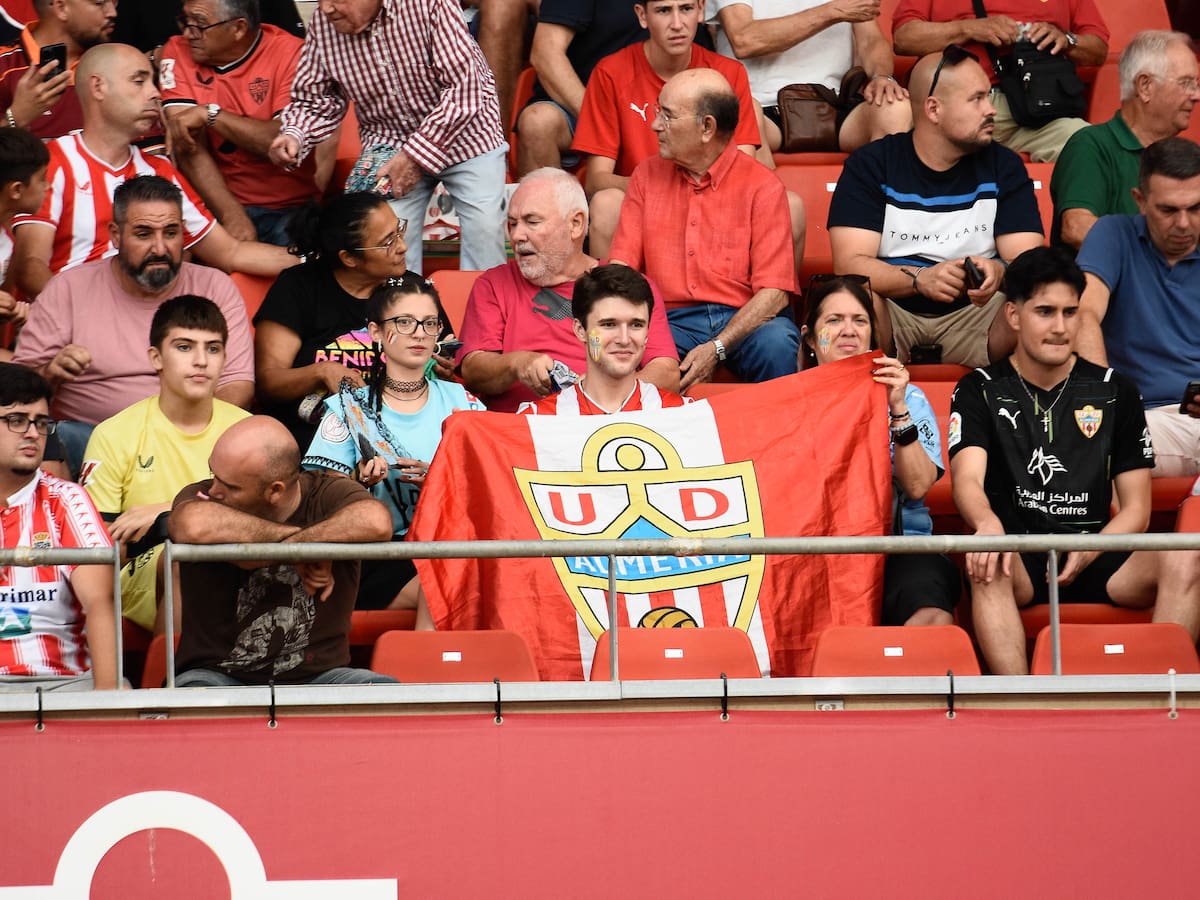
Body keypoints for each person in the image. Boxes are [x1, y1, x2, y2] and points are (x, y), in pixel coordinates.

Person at [948, 246, 1200, 675]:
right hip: (1019, 551)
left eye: (1070, 312)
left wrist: (1091, 546)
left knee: (1189, 553)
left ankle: (1157, 697)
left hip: (1100, 547)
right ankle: (1021, 704)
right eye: (1045, 311)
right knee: (985, 557)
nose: (1061, 327)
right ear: (1014, 315)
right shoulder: (979, 388)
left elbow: (1137, 509)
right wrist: (988, 526)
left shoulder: (1116, 389)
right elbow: (967, 480)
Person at [8, 42, 295, 300]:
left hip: (145, 326)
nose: (155, 93)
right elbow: (30, 268)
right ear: (98, 87)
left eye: (153, 81)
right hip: (69, 329)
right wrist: (86, 316)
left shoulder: (159, 170)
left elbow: (231, 252)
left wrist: (317, 258)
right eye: (139, 81)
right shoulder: (53, 162)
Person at [13, 175, 255, 478]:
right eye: (143, 234)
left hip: (190, 442)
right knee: (41, 438)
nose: (159, 247)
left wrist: (181, 437)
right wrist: (51, 372)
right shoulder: (69, 288)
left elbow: (237, 387)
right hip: (86, 440)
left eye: (171, 232)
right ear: (115, 235)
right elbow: (16, 394)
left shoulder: (214, 287)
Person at [828, 47, 1043, 369]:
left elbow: (1028, 262)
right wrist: (920, 279)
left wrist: (999, 272)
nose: (992, 110)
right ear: (933, 109)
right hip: (893, 313)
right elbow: (849, 265)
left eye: (989, 97)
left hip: (979, 316)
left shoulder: (1004, 165)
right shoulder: (872, 164)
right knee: (852, 300)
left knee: (1040, 302)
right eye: (977, 99)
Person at [269, 0, 508, 275]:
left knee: (485, 230)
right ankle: (405, 313)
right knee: (381, 243)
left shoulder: (429, 4)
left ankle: (483, 313)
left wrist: (415, 156)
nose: (326, 9)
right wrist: (295, 135)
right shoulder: (324, 26)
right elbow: (316, 99)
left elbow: (464, 88)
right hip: (389, 142)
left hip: (467, 134)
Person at [167, 415, 396, 686]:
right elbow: (191, 525)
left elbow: (376, 521)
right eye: (213, 474)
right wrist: (304, 549)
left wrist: (296, 546)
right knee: (195, 704)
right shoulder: (206, 496)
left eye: (229, 486)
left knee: (384, 695)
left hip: (320, 677)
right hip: (215, 676)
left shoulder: (326, 492)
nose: (213, 490)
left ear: (275, 491)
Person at [609, 68, 799, 391]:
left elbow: (774, 293)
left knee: (778, 343)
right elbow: (622, 268)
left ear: (707, 127)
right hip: (669, 322)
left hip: (743, 319)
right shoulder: (646, 176)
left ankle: (778, 440)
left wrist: (717, 348)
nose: (655, 125)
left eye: (667, 116)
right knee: (631, 349)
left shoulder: (762, 187)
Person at [303, 274, 483, 611]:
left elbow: (494, 486)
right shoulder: (347, 408)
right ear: (375, 332)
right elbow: (319, 500)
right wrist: (358, 483)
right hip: (375, 556)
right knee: (446, 582)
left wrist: (440, 481)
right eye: (404, 322)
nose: (419, 333)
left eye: (430, 323)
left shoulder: (466, 403)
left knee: (459, 571)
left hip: (450, 545)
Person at [81, 296, 249, 634]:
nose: (201, 361)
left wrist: (170, 510)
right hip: (144, 569)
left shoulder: (246, 429)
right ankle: (171, 683)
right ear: (156, 357)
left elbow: (268, 518)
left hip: (238, 557)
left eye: (213, 349)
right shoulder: (114, 433)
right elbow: (103, 550)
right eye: (185, 347)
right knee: (184, 558)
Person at [800, 275, 958, 625]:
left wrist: (896, 408)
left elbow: (917, 487)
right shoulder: (787, 405)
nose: (848, 330)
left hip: (898, 550)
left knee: (931, 616)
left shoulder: (908, 398)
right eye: (834, 320)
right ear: (810, 337)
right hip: (812, 552)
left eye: (860, 320)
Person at [458, 167, 679, 412]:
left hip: (612, 426)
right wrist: (517, 363)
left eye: (532, 222)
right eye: (512, 224)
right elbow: (473, 370)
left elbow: (666, 373)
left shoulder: (628, 285)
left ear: (576, 224)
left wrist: (596, 397)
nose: (517, 235)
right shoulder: (493, 283)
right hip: (523, 432)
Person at [254, 192, 453, 446]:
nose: (402, 246)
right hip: (313, 441)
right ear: (349, 258)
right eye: (387, 242)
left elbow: (446, 358)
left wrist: (446, 370)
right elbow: (269, 383)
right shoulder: (299, 287)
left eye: (399, 231)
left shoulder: (411, 289)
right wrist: (322, 371)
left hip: (402, 438)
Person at [571, 0, 763, 259]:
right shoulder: (611, 72)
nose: (677, 24)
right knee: (606, 204)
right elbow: (596, 181)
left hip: (715, 205)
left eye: (685, 9)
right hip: (645, 206)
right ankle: (612, 298)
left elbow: (743, 166)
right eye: (663, 11)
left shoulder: (728, 74)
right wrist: (664, 189)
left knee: (787, 203)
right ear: (642, 16)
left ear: (701, 10)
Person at [1076, 138, 1200, 479]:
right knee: (1104, 444)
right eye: (1169, 210)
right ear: (1140, 201)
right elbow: (1084, 314)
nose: (1184, 224)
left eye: (1196, 208)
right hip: (1144, 418)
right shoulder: (1113, 234)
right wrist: (1107, 401)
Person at [159, 0, 327, 246]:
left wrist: (211, 114)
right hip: (214, 204)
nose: (187, 33)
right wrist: (232, 215)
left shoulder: (292, 54)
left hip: (288, 207)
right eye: (185, 21)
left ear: (238, 28)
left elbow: (280, 142)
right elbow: (187, 145)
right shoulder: (178, 50)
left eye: (199, 25)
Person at [0, 362, 116, 691]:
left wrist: (107, 700)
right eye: (16, 420)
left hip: (61, 684)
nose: (33, 433)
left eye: (41, 422)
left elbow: (99, 603)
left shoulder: (68, 499)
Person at [891, 0, 1109, 163]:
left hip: (1038, 111)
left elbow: (1098, 49)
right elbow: (904, 38)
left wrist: (1067, 40)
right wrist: (968, 28)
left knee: (1090, 145)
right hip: (959, 103)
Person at [707, 0, 913, 163]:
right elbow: (745, 40)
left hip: (835, 104)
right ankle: (766, 208)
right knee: (742, 111)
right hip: (762, 107)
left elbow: (871, 40)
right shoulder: (835, 8)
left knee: (895, 108)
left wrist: (881, 76)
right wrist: (832, 11)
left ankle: (880, 209)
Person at [1051, 30, 1200, 251]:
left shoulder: (1188, 155)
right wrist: (1153, 256)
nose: (1196, 95)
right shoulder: (1091, 145)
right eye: (1186, 83)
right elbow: (1077, 228)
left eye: (1196, 84)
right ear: (1145, 86)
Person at [518, 263, 690, 414]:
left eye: (636, 325)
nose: (624, 339)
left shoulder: (683, 415)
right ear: (580, 330)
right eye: (609, 324)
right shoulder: (538, 420)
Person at [515, 0, 646, 174]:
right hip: (586, 103)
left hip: (666, 100)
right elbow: (545, 53)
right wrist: (602, 121)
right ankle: (543, 200)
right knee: (537, 123)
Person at [0, 0, 113, 140]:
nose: (113, 13)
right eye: (99, 3)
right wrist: (16, 118)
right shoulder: (4, 67)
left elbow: (145, 152)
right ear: (61, 8)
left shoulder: (120, 66)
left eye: (113, 2)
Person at [0, 126, 47, 347]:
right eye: (42, 179)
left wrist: (10, 313)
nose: (47, 186)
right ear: (17, 190)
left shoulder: (8, 239)